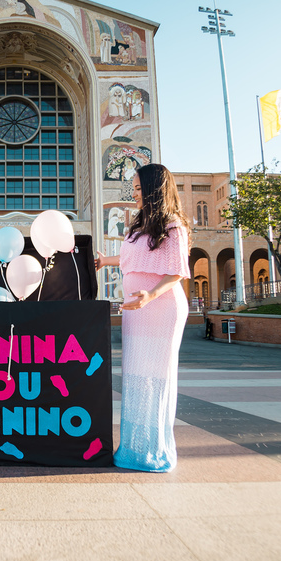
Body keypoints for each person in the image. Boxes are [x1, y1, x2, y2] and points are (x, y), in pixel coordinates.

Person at [95, 163, 189, 472]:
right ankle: (134, 449)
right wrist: (104, 261)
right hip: (136, 310)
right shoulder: (139, 226)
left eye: (138, 189)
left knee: (156, 377)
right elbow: (131, 260)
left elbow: (177, 271)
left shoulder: (174, 225)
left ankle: (155, 451)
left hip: (162, 308)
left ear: (153, 190)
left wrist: (151, 295)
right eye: (133, 189)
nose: (134, 194)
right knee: (136, 376)